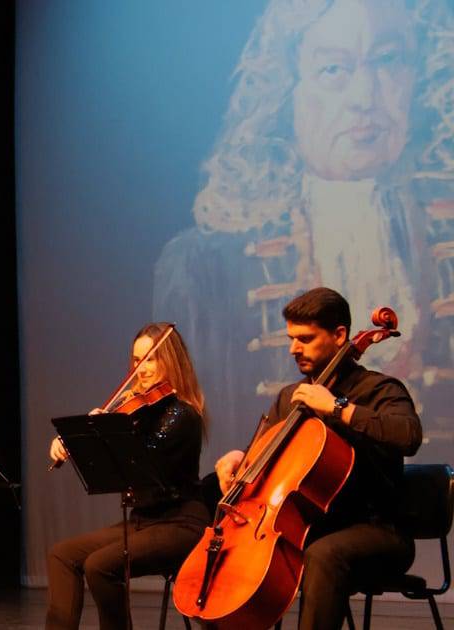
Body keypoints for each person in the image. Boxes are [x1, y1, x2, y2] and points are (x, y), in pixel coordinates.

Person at [153, 0, 454, 464]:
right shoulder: (203, 265)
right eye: (334, 68)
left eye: (388, 61)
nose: (364, 96)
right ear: (284, 91)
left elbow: (408, 433)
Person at [213, 287, 422, 629]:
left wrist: (339, 409)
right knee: (229, 551)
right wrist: (240, 457)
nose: (294, 349)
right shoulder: (290, 398)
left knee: (323, 555)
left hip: (377, 530)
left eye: (306, 338)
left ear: (340, 335)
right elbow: (268, 461)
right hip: (312, 525)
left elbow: (409, 435)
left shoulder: (380, 390)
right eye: (292, 338)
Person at [45, 322, 209, 630]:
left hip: (180, 522)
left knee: (100, 566)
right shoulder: (138, 410)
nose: (141, 368)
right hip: (143, 521)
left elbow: (143, 460)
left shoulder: (182, 414)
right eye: (136, 360)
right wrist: (78, 440)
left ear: (171, 361)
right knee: (62, 555)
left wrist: (105, 433)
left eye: (150, 359)